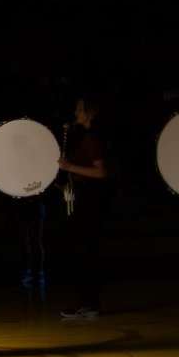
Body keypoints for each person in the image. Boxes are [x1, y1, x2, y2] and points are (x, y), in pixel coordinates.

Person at [57, 97, 110, 320]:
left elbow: (100, 172)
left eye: (79, 109)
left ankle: (89, 304)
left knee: (86, 251)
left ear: (89, 113)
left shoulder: (92, 138)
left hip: (90, 201)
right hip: (84, 199)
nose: (76, 112)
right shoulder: (85, 137)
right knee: (83, 251)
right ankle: (86, 303)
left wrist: (70, 167)